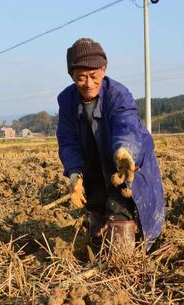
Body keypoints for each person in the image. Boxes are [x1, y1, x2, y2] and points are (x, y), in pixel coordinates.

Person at [56, 38, 165, 251]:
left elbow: (127, 125)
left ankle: (123, 261)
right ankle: (97, 245)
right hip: (93, 160)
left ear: (103, 70)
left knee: (121, 203)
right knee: (95, 201)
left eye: (94, 76)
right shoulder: (66, 100)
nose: (88, 84)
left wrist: (125, 150)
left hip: (124, 161)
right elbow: (68, 139)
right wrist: (74, 172)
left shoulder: (118, 95)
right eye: (81, 78)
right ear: (72, 76)